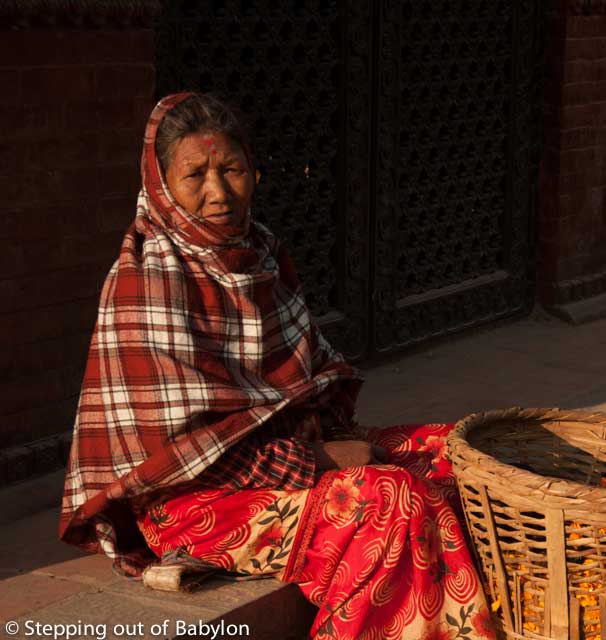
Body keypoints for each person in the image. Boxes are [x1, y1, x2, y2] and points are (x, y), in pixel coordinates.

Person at [60, 93, 496, 640]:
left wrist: (333, 441)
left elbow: (303, 378)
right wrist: (317, 458)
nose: (218, 192)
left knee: (454, 450)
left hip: (277, 459)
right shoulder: (147, 280)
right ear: (161, 186)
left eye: (232, 169)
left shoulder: (260, 251)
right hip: (195, 501)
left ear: (254, 172)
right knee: (390, 500)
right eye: (195, 175)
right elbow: (175, 459)